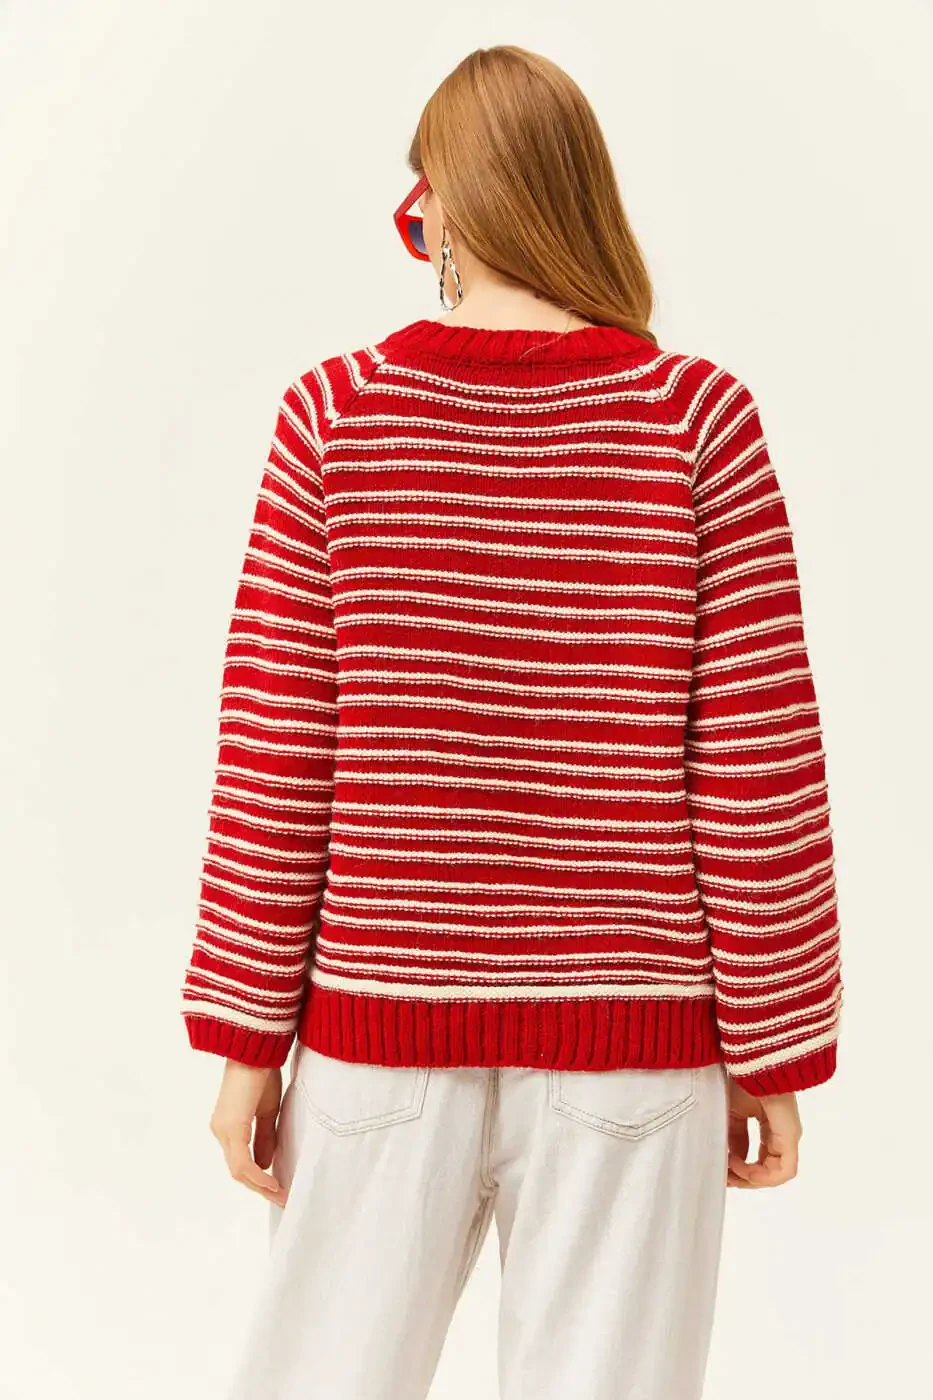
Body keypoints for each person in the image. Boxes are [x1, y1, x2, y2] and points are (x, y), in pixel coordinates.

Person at [179, 43, 844, 1400]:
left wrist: (249, 1043)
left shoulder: (335, 419)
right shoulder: (696, 423)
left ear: (441, 210)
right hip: (635, 1045)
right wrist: (773, 1043)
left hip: (378, 1029)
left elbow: (275, 760)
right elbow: (756, 770)